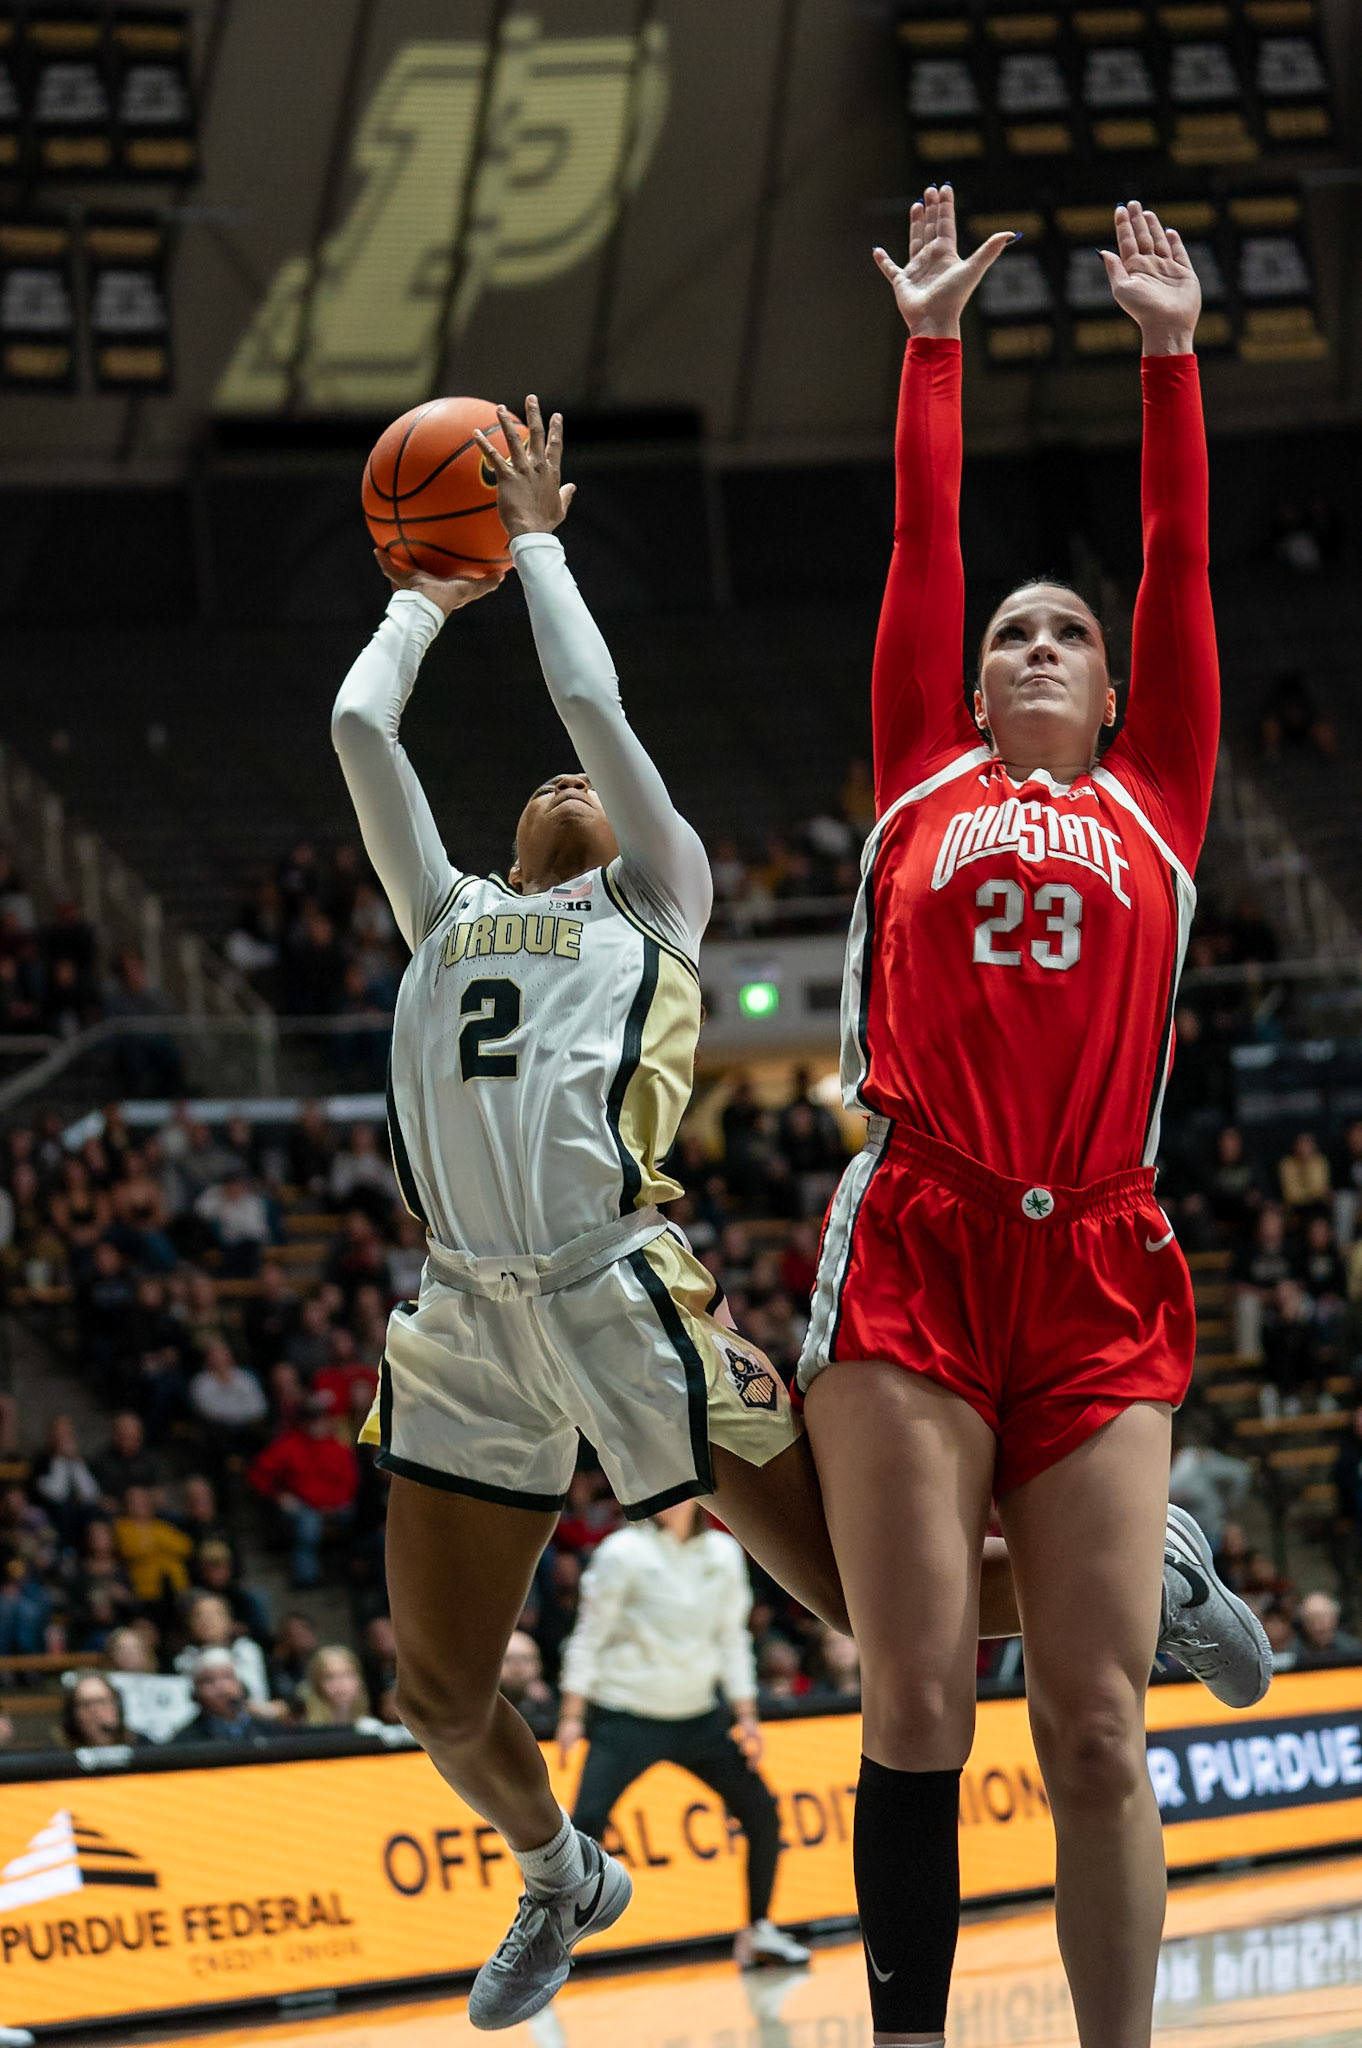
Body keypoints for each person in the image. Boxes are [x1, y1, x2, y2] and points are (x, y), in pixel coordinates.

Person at [332, 385, 1264, 2035]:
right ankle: (556, 1868)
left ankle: (1136, 1592)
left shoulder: (659, 893)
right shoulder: (445, 906)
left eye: (594, 778)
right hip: (466, 1312)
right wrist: (417, 586)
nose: (568, 774)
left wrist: (535, 548)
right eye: (1013, 633)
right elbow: (357, 732)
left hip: (629, 1289)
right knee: (435, 1689)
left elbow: (591, 694)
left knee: (865, 1603)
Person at [795, 191, 1269, 2048]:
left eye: (1067, 629)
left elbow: (1182, 567)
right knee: (916, 1692)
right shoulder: (921, 771)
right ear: (971, 680)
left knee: (1093, 1719)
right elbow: (924, 539)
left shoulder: (1159, 792)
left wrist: (1171, 358)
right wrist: (929, 343)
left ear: (1110, 679)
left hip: (1100, 1257)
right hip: (918, 1233)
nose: (1040, 643)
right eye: (1013, 633)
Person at [560, 1501, 811, 1971]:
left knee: (762, 1814)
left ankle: (758, 1930)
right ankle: (553, 1942)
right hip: (627, 1715)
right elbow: (589, 1634)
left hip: (700, 1718)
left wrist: (747, 1715)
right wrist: (573, 1714)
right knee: (584, 1824)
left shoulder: (723, 1552)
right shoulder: (622, 1551)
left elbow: (732, 1638)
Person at [61, 1671, 139, 1750]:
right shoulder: (61, 1753)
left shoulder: (141, 1745)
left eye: (101, 1701)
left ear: (116, 1706)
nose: (94, 1710)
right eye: (85, 1704)